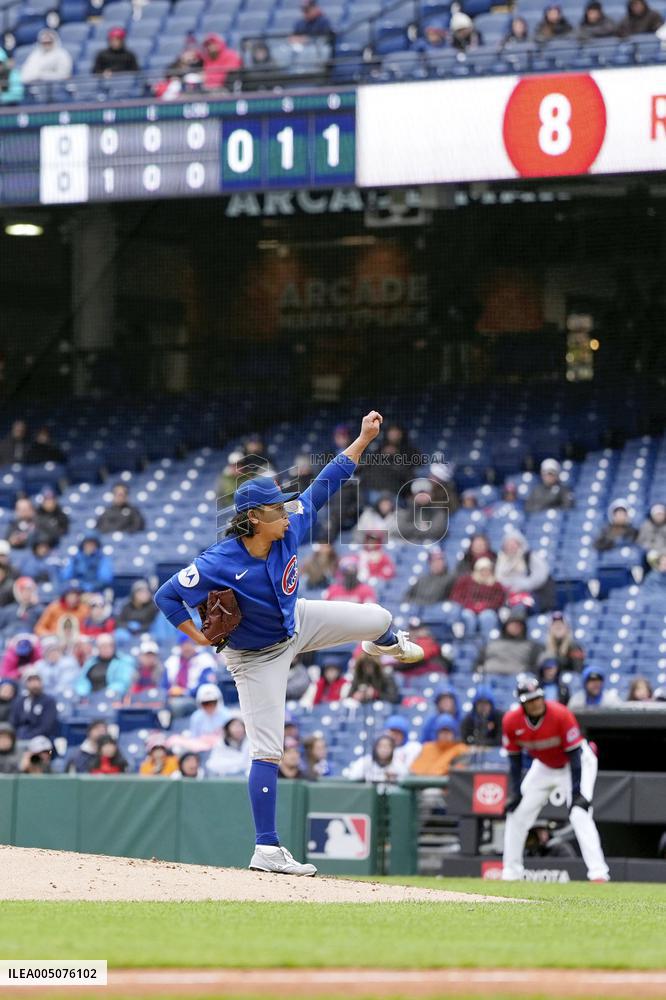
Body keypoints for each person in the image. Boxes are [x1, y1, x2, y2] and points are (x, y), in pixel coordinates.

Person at [155, 410, 423, 876]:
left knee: (379, 616)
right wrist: (198, 637)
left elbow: (324, 485)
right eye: (277, 508)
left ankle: (381, 643)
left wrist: (362, 440)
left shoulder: (289, 527)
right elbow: (167, 595)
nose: (287, 510)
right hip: (255, 658)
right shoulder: (218, 562)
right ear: (254, 517)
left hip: (295, 623)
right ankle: (267, 850)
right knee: (267, 751)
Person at [502, 675, 609, 882]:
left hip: (576, 763)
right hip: (544, 766)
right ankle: (510, 872)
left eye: (538, 697)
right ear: (521, 703)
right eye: (529, 700)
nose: (535, 703)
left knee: (579, 812)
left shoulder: (560, 714)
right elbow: (514, 761)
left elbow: (575, 756)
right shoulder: (511, 721)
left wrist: (577, 792)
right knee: (516, 813)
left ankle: (598, 873)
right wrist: (516, 793)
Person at [494, 529, 556, 611]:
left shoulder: (530, 557)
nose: (511, 546)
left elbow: (541, 575)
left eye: (514, 543)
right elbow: (498, 578)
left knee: (520, 608)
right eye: (508, 544)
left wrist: (523, 585)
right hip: (506, 596)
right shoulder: (499, 560)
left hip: (531, 594)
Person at [475, 607, 544, 676]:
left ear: (524, 627)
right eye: (513, 624)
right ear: (506, 626)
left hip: (517, 680)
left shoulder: (531, 647)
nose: (516, 627)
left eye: (519, 625)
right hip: (489, 678)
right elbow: (478, 663)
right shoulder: (492, 644)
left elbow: (535, 668)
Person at [448, 557, 505, 638]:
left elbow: (499, 600)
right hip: (468, 608)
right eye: (482, 570)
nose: (485, 572)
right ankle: (468, 642)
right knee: (467, 616)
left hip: (488, 610)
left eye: (487, 570)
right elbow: (456, 596)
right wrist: (471, 606)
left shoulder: (496, 584)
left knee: (487, 617)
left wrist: (483, 606)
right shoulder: (466, 581)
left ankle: (487, 644)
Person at [74, 634, 135, 698]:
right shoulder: (91, 662)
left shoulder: (123, 661)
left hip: (112, 697)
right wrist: (82, 692)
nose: (106, 649)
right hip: (91, 697)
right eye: (103, 646)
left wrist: (107, 693)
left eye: (109, 646)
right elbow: (83, 680)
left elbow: (123, 682)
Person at [10, 666, 58, 741]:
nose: (34, 684)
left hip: (42, 740)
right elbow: (13, 723)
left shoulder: (49, 701)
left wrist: (26, 737)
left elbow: (46, 727)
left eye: (37, 680)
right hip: (19, 739)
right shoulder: (19, 701)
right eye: (30, 681)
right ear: (25, 683)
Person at [394, 480, 448, 544]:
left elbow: (436, 532)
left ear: (431, 494)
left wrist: (413, 530)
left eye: (425, 493)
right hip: (409, 545)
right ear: (414, 495)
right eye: (419, 493)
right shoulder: (406, 511)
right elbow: (401, 529)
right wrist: (419, 527)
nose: (422, 496)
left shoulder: (438, 512)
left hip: (431, 545)